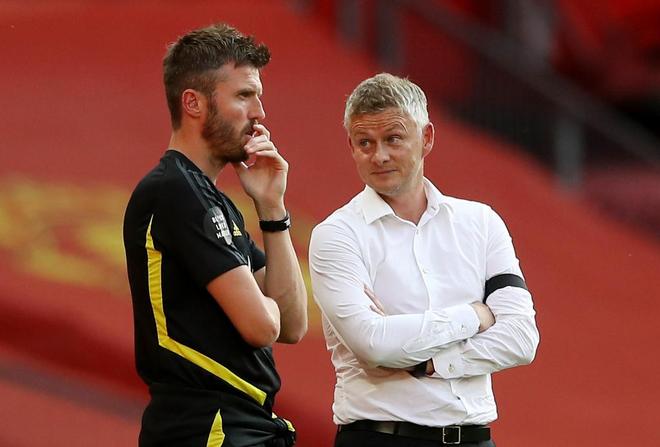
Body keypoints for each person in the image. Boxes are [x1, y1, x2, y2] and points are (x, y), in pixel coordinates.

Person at [309, 73, 539, 447]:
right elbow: (374, 345)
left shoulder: (481, 222)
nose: (379, 155)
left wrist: (426, 362)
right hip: (380, 437)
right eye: (365, 142)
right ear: (351, 146)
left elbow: (521, 338)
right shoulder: (337, 234)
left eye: (393, 139)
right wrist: (473, 316)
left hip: (474, 438)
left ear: (426, 138)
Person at [123, 23, 307, 447]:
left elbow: (293, 324)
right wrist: (266, 306)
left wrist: (273, 209)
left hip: (240, 424)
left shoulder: (213, 200)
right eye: (244, 95)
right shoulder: (175, 191)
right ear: (193, 102)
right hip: (207, 426)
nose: (259, 112)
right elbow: (263, 326)